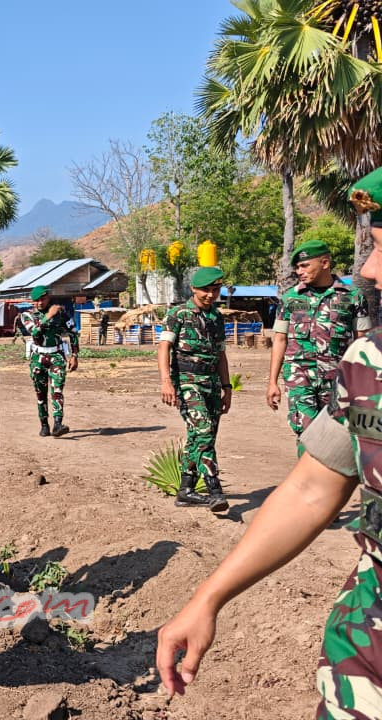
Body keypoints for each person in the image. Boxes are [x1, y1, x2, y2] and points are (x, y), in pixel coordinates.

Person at [156, 166, 382, 718]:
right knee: (219, 436)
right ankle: (197, 485)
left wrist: (226, 382)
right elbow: (310, 486)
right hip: (367, 645)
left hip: (245, 381)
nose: (370, 270)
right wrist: (208, 597)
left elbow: (222, 352)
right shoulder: (371, 364)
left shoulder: (350, 316)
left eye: (381, 248)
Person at [266, 239, 371, 447]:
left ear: (324, 263)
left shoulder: (353, 297)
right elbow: (279, 339)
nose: (299, 271)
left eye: (305, 265)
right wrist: (272, 382)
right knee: (306, 433)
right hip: (299, 376)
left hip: (337, 377)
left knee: (334, 437)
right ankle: (307, 469)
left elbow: (363, 342)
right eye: (297, 267)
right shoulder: (290, 298)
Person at [158, 267, 231, 513]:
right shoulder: (178, 314)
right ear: (193, 289)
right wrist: (166, 381)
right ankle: (215, 490)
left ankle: (186, 490)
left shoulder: (217, 317)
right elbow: (164, 347)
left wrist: (227, 387)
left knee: (199, 437)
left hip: (211, 383)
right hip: (187, 381)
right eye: (205, 290)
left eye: (215, 290)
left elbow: (221, 354)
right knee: (204, 431)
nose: (210, 295)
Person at [19, 286, 79, 436]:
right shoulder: (27, 315)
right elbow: (34, 332)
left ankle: (58, 424)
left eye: (43, 299)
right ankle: (44, 424)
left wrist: (74, 355)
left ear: (48, 298)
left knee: (57, 390)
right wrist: (48, 316)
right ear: (32, 301)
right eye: (36, 300)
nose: (40, 303)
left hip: (56, 356)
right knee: (41, 393)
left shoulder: (60, 313)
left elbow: (73, 332)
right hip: (37, 358)